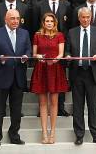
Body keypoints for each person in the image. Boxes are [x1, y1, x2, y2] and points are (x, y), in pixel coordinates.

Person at [65, 7, 96, 145]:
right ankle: (79, 135)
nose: (85, 19)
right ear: (79, 18)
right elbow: (67, 50)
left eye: (87, 17)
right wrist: (67, 56)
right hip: (77, 73)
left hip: (92, 72)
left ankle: (95, 134)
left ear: (91, 17)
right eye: (83, 17)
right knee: (77, 106)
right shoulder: (72, 32)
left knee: (93, 106)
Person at [0, 9, 31, 146]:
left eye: (18, 18)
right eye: (12, 18)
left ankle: (14, 135)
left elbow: (28, 50)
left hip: (18, 77)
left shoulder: (24, 33)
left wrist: (26, 57)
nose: (16, 21)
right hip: (2, 77)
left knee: (16, 110)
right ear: (6, 19)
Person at [32, 0, 72, 117]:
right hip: (43, 46)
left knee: (59, 80)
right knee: (44, 81)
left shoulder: (67, 5)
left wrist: (65, 51)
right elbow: (34, 25)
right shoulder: (38, 5)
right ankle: (42, 109)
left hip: (60, 48)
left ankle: (60, 107)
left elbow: (69, 28)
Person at [30, 12, 69, 144]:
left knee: (54, 103)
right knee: (42, 103)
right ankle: (44, 133)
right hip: (41, 69)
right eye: (47, 21)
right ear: (43, 23)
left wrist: (54, 60)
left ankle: (52, 132)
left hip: (54, 69)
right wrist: (38, 56)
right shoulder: (37, 35)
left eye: (51, 21)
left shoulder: (59, 35)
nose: (49, 23)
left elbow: (61, 54)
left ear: (55, 23)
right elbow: (34, 53)